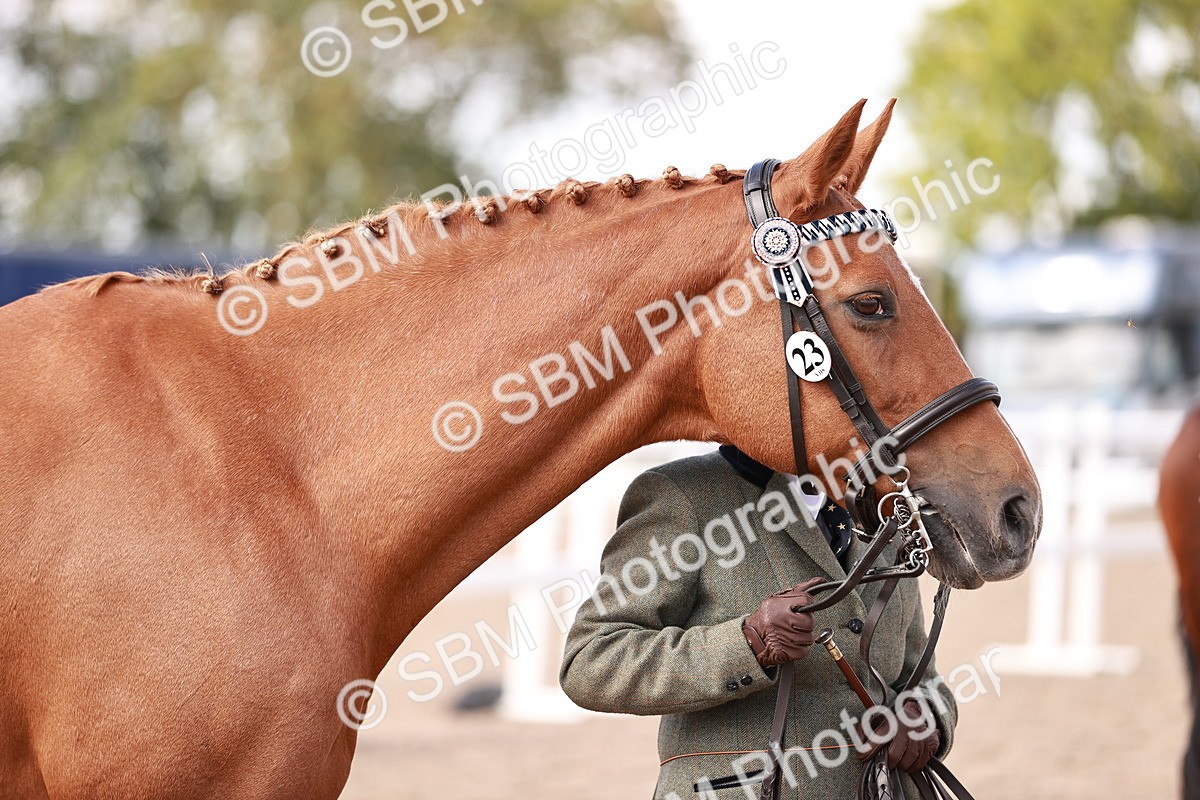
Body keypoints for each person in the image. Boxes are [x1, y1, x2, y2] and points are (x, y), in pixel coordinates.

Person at [559, 445, 956, 799]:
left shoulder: (885, 501)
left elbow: (920, 675)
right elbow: (591, 660)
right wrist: (746, 643)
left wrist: (924, 715)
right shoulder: (680, 494)